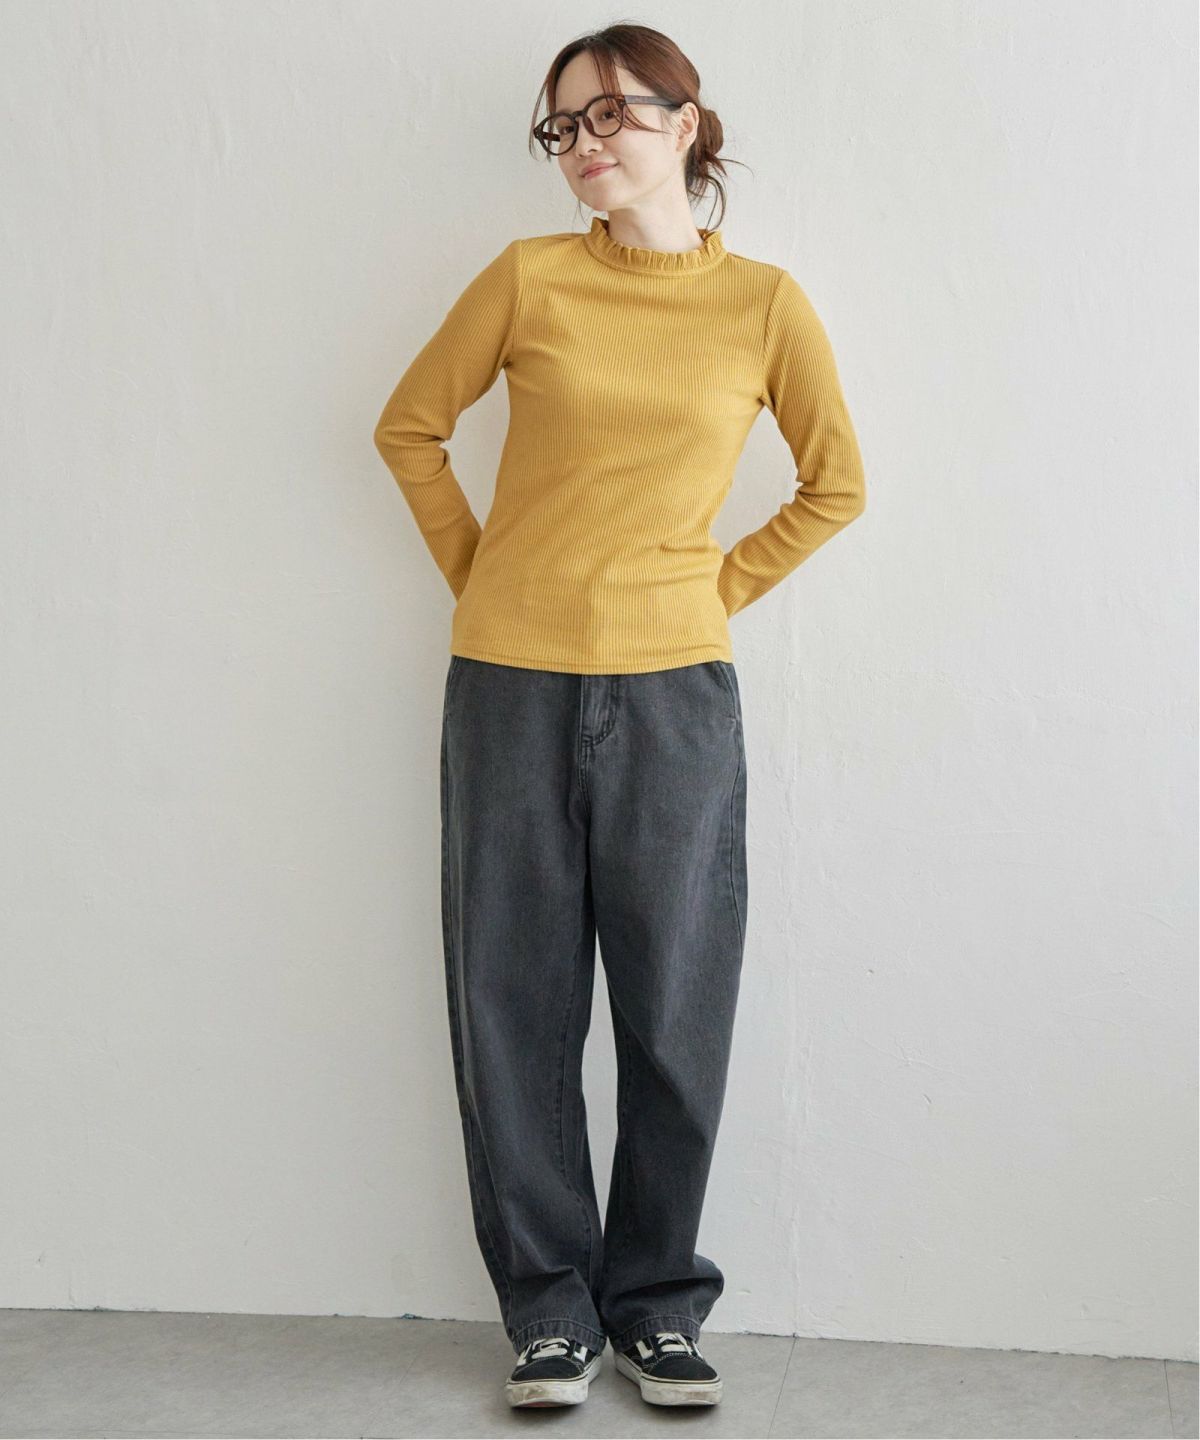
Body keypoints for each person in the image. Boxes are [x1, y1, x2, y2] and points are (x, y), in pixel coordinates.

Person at [372, 24, 867, 1411]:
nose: (584, 147)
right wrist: (484, 576)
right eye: (563, 128)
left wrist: (711, 589)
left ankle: (656, 1304)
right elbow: (408, 429)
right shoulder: (527, 279)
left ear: (684, 123)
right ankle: (548, 1310)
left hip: (675, 696)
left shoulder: (763, 305)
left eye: (609, 117)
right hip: (509, 686)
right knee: (512, 1002)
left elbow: (836, 486)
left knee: (673, 1006)